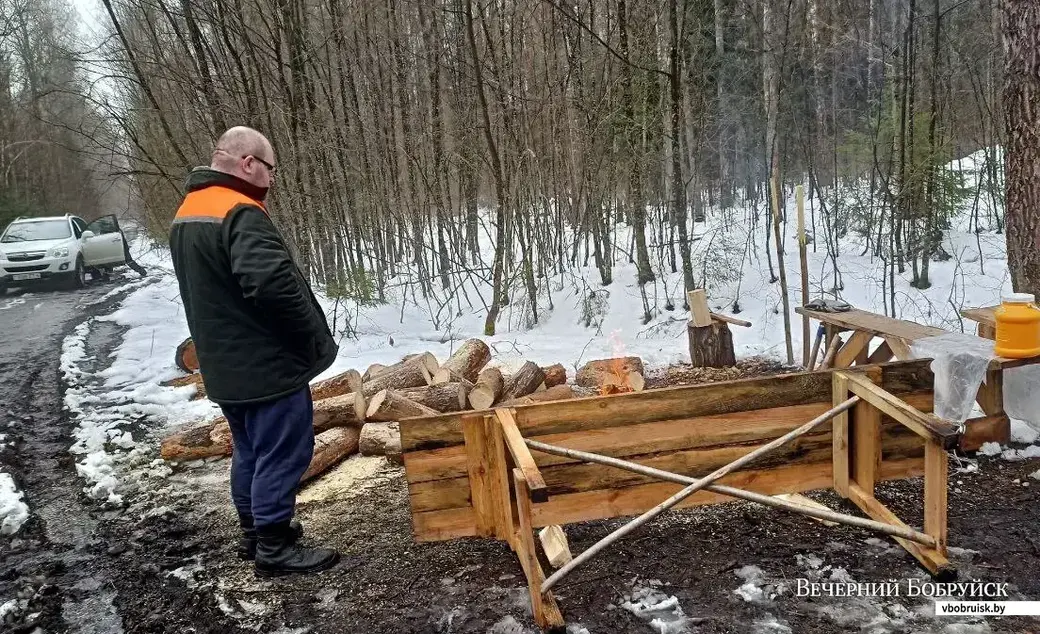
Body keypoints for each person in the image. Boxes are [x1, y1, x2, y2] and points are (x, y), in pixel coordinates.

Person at [168, 126, 340, 577]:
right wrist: (307, 337)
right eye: (270, 168)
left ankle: (255, 533)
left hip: (224, 365)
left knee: (250, 450)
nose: (272, 179)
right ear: (248, 164)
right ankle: (275, 545)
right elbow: (269, 284)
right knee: (285, 450)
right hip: (264, 364)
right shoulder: (239, 210)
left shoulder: (189, 210)